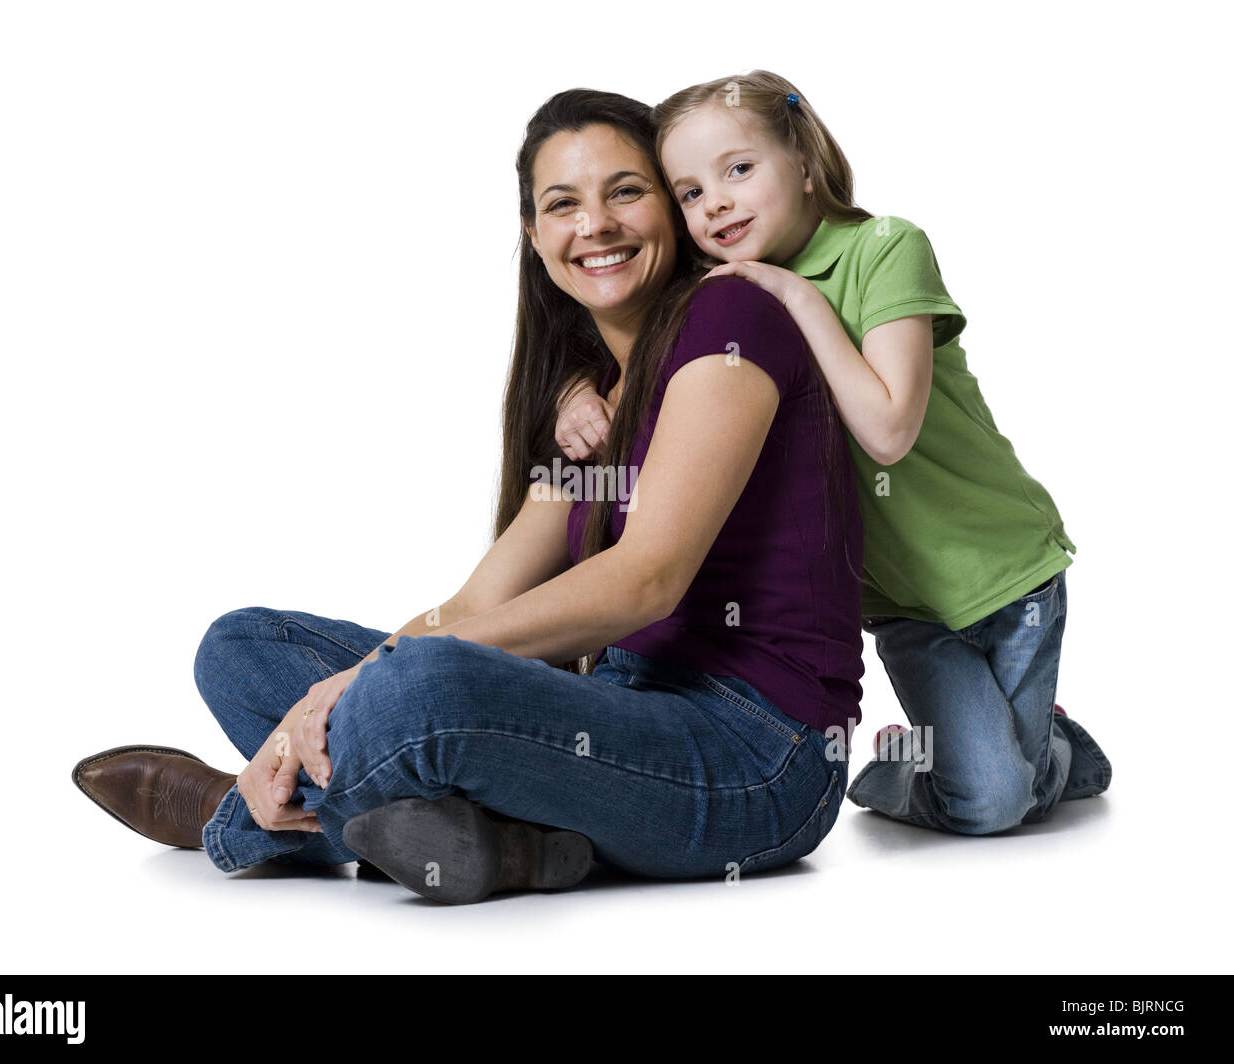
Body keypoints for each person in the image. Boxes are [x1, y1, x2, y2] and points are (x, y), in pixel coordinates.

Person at [70, 87, 864, 904]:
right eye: (563, 204)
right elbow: (477, 600)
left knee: (425, 690)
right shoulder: (599, 399)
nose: (595, 225)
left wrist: (387, 676)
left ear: (670, 203)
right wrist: (348, 680)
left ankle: (233, 812)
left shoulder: (729, 315)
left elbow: (646, 579)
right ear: (533, 234)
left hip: (759, 756)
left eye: (625, 191)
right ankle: (498, 843)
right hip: (618, 708)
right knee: (241, 650)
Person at [554, 70, 1111, 836]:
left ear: (807, 164)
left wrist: (799, 298)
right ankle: (951, 760)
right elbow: (648, 385)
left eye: (738, 169)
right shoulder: (722, 297)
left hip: (1008, 573)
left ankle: (1049, 748)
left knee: (1006, 781)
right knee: (988, 801)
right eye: (687, 192)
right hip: (905, 606)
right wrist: (579, 394)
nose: (713, 202)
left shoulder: (884, 249)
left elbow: (888, 429)